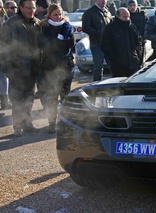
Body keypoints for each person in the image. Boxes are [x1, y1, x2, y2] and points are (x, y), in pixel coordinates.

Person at [0, 0, 42, 136]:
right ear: (21, 8)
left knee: (29, 97)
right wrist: (7, 68)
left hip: (33, 67)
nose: (31, 10)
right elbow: (3, 47)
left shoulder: (37, 23)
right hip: (16, 68)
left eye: (33, 8)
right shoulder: (11, 24)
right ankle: (17, 127)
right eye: (28, 8)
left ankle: (27, 124)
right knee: (18, 98)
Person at [39, 3, 74, 133]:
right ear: (49, 15)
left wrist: (58, 43)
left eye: (60, 14)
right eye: (55, 15)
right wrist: (59, 43)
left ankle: (64, 121)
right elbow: (46, 46)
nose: (58, 17)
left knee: (65, 96)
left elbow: (70, 44)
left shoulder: (67, 26)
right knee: (52, 96)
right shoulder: (44, 28)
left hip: (66, 65)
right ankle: (51, 122)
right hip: (50, 66)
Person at [101, 7, 143, 77]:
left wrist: (138, 57)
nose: (127, 19)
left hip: (133, 64)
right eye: (124, 17)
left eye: (128, 17)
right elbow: (105, 45)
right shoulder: (110, 28)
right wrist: (113, 59)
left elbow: (139, 42)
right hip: (117, 66)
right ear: (118, 16)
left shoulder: (132, 27)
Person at [82, 0, 113, 81]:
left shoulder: (107, 12)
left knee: (113, 64)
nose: (104, 1)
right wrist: (98, 33)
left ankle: (115, 85)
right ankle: (96, 86)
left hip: (108, 44)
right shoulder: (90, 12)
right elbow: (85, 27)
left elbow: (111, 26)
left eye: (105, 0)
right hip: (96, 43)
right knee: (98, 66)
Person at [128, 0, 148, 65]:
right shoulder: (126, 16)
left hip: (141, 43)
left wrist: (143, 38)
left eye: (134, 5)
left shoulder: (142, 15)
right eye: (130, 5)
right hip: (129, 43)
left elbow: (147, 28)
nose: (132, 7)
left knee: (141, 62)